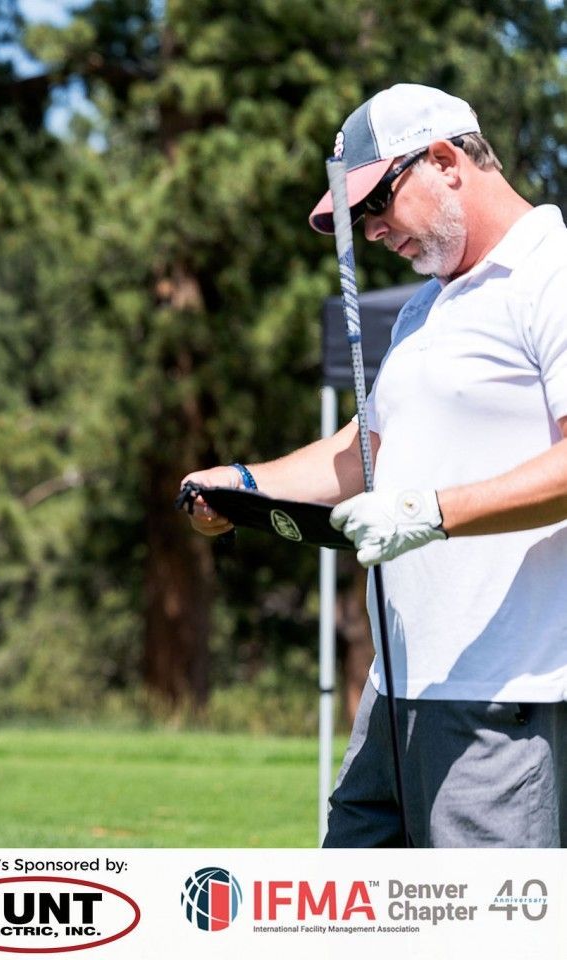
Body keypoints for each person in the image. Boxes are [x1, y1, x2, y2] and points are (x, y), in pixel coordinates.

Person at [183, 83, 567, 847]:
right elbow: (368, 452)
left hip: (501, 697)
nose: (370, 230)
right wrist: (246, 485)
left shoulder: (550, 271)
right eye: (356, 218)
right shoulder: (427, 304)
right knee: (346, 907)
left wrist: (430, 512)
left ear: (444, 160)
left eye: (375, 203)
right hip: (394, 691)